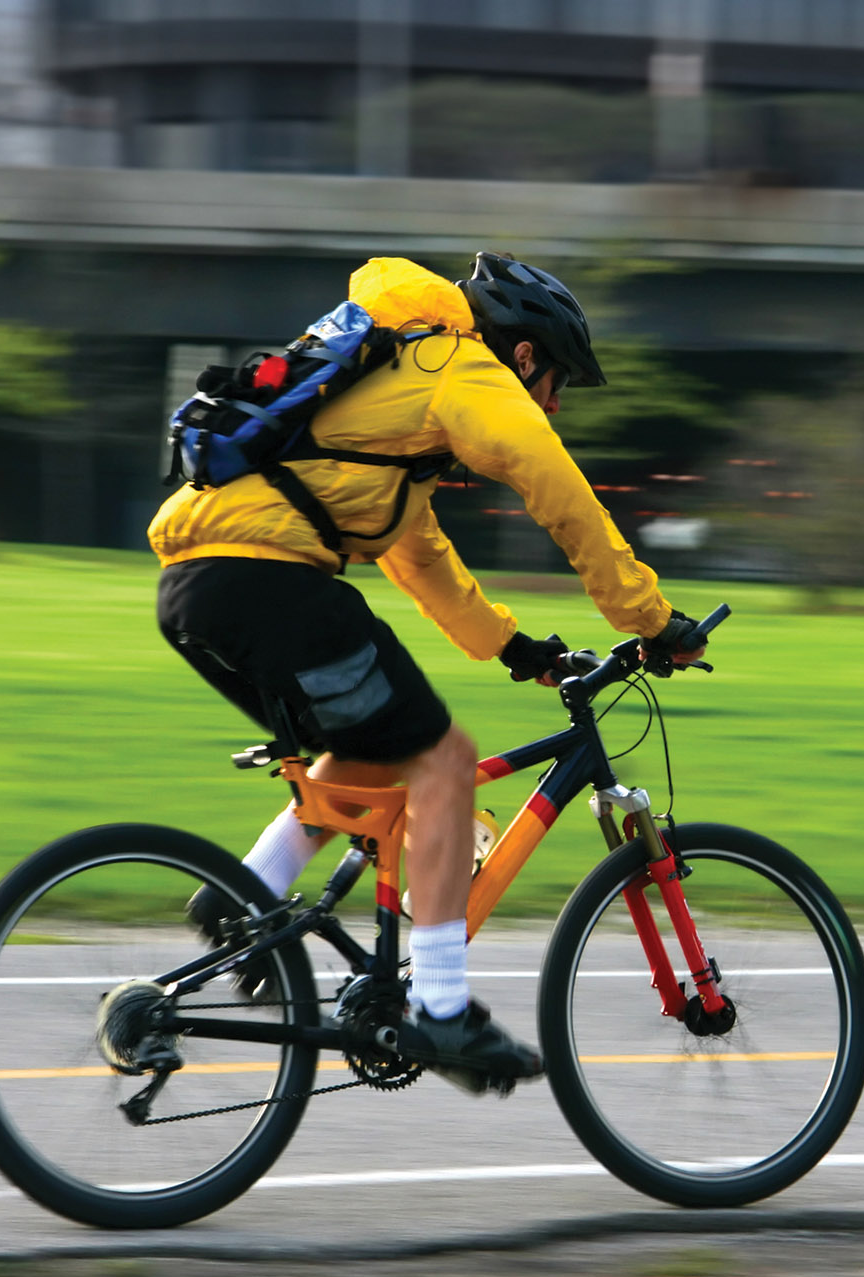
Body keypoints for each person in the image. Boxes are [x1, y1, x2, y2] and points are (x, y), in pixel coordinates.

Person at [148, 252, 704, 1090]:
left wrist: (514, 647)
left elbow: (417, 553)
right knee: (443, 760)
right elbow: (556, 486)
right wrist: (651, 619)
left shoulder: (400, 382)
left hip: (200, 586)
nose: (553, 405)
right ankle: (441, 1011)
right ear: (524, 356)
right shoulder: (462, 365)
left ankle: (243, 897)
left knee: (373, 751)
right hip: (267, 577)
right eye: (555, 383)